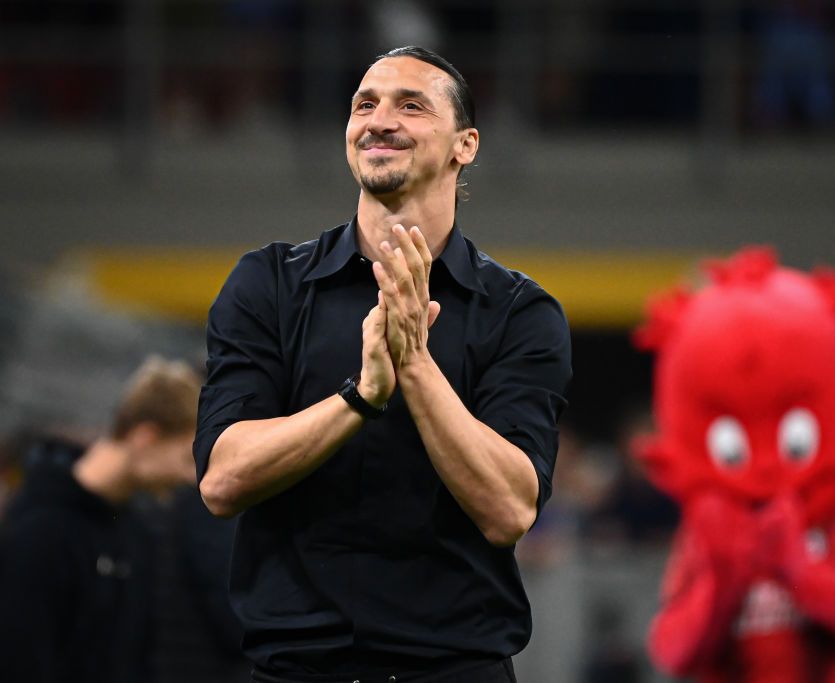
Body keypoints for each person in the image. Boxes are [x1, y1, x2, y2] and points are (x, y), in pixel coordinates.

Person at [193, 46, 572, 682]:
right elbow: (222, 481)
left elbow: (509, 509)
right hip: (294, 668)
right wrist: (361, 397)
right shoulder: (268, 284)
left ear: (465, 145)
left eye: (411, 105)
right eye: (364, 104)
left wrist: (416, 368)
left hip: (455, 667)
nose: (378, 119)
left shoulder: (520, 312)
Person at [0, 356, 202, 683]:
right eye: (185, 458)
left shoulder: (137, 537)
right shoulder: (40, 530)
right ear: (145, 436)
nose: (190, 477)